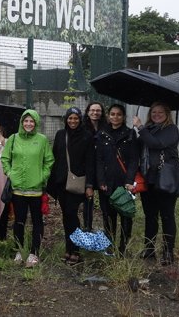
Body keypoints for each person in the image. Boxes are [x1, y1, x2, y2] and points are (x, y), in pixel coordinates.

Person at [1, 109, 54, 268]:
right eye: (26, 121)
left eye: (32, 121)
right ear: (21, 122)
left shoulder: (42, 140)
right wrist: (10, 173)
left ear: (36, 123)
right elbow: (5, 158)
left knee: (37, 221)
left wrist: (42, 176)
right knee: (19, 221)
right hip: (18, 189)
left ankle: (34, 252)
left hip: (36, 189)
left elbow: (49, 161)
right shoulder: (13, 138)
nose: (29, 124)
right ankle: (20, 250)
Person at [133, 102, 179, 265]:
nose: (157, 114)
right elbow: (139, 148)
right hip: (149, 180)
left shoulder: (171, 130)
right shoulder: (149, 129)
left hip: (166, 179)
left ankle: (168, 252)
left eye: (161, 112)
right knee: (150, 216)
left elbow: (156, 144)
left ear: (167, 114)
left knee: (167, 216)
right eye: (154, 112)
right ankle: (149, 249)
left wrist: (140, 127)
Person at [49, 107, 95, 264]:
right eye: (70, 118)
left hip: (77, 183)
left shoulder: (87, 137)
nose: (73, 121)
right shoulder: (61, 135)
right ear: (66, 119)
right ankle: (69, 249)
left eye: (76, 118)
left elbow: (90, 161)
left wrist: (90, 185)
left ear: (80, 119)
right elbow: (55, 156)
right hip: (62, 183)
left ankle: (75, 250)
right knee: (67, 217)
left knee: (72, 215)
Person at [96, 104, 139, 256]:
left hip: (124, 183)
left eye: (119, 114)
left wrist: (129, 180)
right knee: (108, 215)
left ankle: (124, 247)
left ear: (124, 116)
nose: (115, 117)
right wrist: (100, 180)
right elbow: (99, 160)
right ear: (108, 116)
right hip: (107, 182)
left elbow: (134, 160)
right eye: (112, 114)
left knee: (126, 215)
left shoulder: (130, 134)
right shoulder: (101, 134)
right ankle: (110, 245)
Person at [82, 101, 105, 231]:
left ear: (101, 113)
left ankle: (107, 232)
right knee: (88, 201)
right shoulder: (83, 127)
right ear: (88, 111)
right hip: (88, 169)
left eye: (98, 110)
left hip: (102, 169)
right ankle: (87, 228)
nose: (95, 113)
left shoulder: (106, 127)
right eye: (92, 110)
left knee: (104, 202)